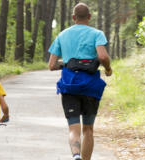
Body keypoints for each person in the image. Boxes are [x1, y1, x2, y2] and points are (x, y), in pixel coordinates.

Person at [47, 3, 113, 160]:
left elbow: (51, 65)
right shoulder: (97, 34)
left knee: (73, 128)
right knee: (88, 129)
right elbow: (103, 57)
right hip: (90, 87)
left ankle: (75, 155)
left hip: (69, 86)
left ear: (73, 17)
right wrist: (108, 69)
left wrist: (68, 63)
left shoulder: (62, 35)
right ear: (89, 17)